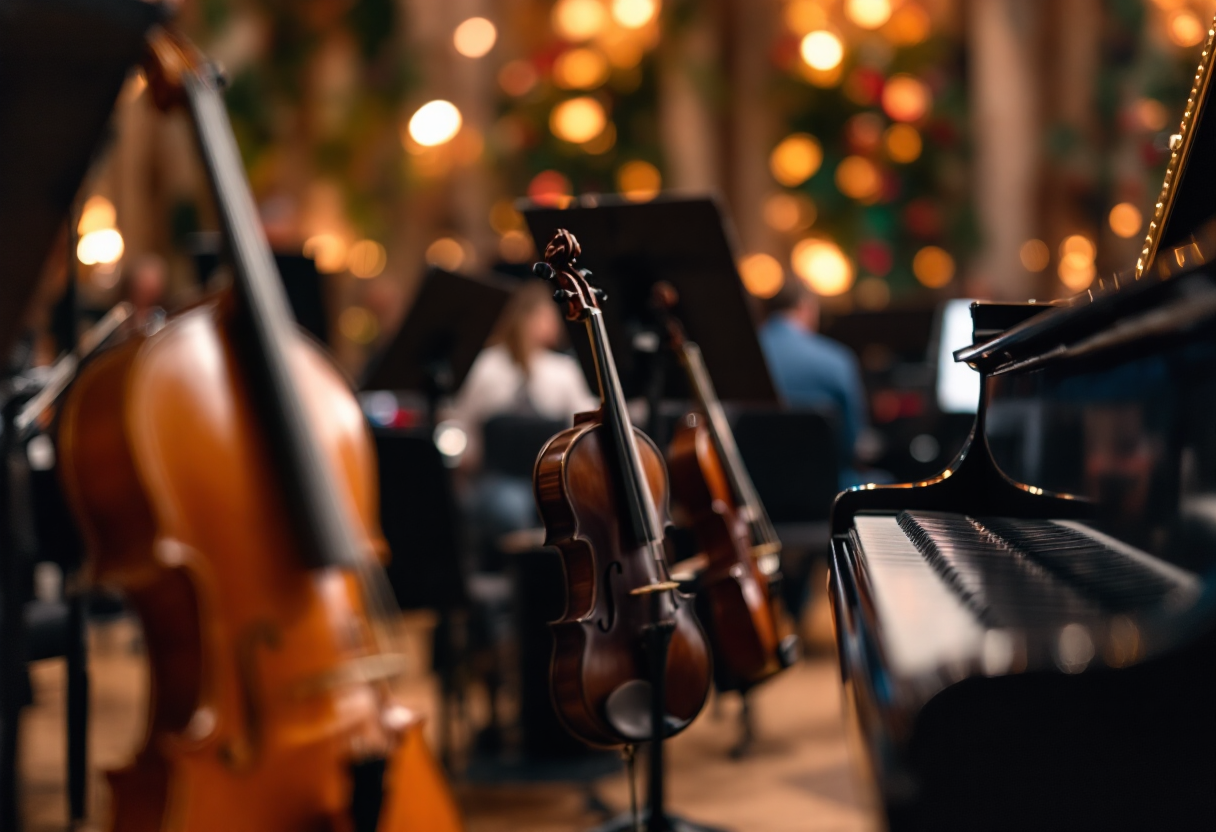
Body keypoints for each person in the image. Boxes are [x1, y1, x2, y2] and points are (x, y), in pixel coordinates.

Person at [451, 280, 597, 560]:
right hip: (500, 479)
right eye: (549, 315)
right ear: (529, 317)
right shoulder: (485, 368)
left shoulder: (562, 371)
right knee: (511, 508)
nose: (557, 323)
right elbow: (463, 430)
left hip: (553, 479)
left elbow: (583, 426)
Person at [758, 278, 868, 487]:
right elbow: (852, 443)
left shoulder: (737, 357)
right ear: (806, 306)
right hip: (825, 491)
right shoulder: (836, 360)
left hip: (755, 492)